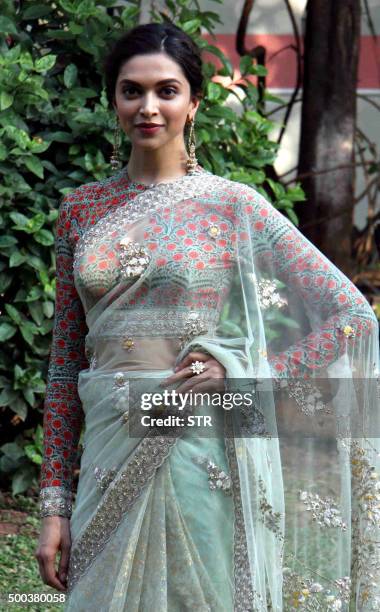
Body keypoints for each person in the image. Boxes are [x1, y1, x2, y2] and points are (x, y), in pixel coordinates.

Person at [35, 22, 380, 611]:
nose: (148, 107)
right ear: (112, 99)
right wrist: (53, 506)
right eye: (131, 90)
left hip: (200, 436)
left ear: (193, 102)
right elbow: (66, 369)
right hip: (109, 447)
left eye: (166, 91)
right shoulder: (79, 211)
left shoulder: (231, 204)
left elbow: (351, 314)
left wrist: (239, 374)